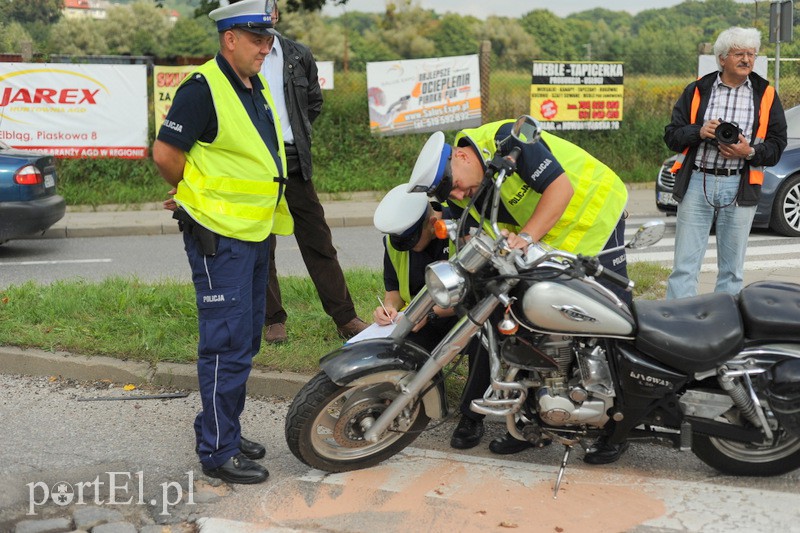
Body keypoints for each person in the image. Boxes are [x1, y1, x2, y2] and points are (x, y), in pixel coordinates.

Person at [407, 123, 631, 463]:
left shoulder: (507, 140)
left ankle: (620, 426)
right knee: (522, 322)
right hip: (544, 240)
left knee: (610, 322)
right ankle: (532, 426)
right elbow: (467, 235)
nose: (454, 197)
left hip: (594, 220)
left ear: (463, 157)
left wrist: (525, 238)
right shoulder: (463, 184)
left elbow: (560, 189)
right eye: (445, 196)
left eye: (451, 188)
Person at [152, 0, 292, 485]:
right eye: (257, 38)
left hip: (252, 234)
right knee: (225, 345)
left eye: (269, 38)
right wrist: (192, 194)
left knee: (244, 339)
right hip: (218, 237)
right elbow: (166, 153)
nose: (266, 47)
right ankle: (217, 451)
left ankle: (224, 429)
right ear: (229, 38)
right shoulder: (202, 88)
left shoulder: (252, 85)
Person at [259, 0, 368, 343]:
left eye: (270, 8)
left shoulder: (297, 54)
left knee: (318, 240)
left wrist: (297, 134)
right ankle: (273, 319)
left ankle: (345, 318)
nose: (266, 15)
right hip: (255, 161)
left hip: (293, 159)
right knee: (262, 242)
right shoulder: (240, 59)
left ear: (276, 14)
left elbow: (313, 103)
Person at [664, 26, 787, 300]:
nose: (747, 60)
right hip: (697, 182)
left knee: (732, 270)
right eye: (739, 54)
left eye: (751, 54)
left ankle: (724, 324)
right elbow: (672, 135)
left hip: (740, 185)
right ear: (722, 58)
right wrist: (699, 131)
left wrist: (749, 151)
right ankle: (676, 323)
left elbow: (777, 145)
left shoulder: (765, 93)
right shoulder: (698, 90)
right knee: (684, 267)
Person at [373, 185, 488, 451]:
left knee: (483, 341)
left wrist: (430, 311)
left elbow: (477, 292)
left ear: (431, 222)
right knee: (400, 342)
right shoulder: (394, 242)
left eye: (413, 242)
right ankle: (411, 398)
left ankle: (472, 416)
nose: (409, 250)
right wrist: (388, 309)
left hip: (468, 314)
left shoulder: (460, 230)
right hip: (424, 317)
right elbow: (394, 291)